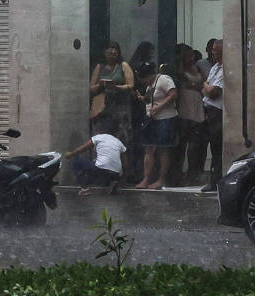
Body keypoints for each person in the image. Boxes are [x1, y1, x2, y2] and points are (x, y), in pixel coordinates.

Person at [136, 57, 180, 188]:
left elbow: (173, 95)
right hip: (152, 119)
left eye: (144, 78)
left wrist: (159, 107)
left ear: (150, 75)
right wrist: (143, 99)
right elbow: (151, 99)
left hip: (165, 119)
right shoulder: (150, 85)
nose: (144, 82)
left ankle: (162, 179)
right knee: (148, 149)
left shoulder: (164, 80)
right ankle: (146, 179)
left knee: (163, 150)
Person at [88, 42, 133, 148]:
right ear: (105, 52)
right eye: (110, 49)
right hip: (102, 110)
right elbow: (91, 89)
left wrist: (116, 87)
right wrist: (101, 84)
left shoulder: (123, 66)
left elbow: (131, 85)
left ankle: (121, 164)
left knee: (121, 140)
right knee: (101, 139)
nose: (113, 52)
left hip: (120, 108)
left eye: (115, 49)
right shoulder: (100, 67)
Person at [171, 44, 205, 184]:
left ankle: (193, 174)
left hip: (197, 105)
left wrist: (196, 86)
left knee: (195, 145)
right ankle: (177, 175)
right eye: (189, 55)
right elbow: (184, 84)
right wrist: (196, 86)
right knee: (181, 144)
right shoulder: (179, 70)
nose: (192, 58)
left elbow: (202, 83)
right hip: (185, 106)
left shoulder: (197, 68)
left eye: (193, 55)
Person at [197, 37, 225, 179]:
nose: (212, 53)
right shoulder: (215, 67)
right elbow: (205, 87)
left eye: (216, 51)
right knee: (210, 145)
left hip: (217, 111)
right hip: (208, 109)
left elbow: (213, 92)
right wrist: (206, 87)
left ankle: (216, 179)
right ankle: (213, 178)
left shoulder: (224, 69)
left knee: (217, 146)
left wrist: (206, 86)